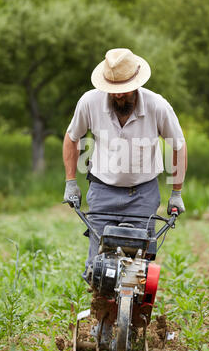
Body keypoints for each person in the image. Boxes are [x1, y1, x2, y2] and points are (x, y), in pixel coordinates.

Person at [63, 48, 187, 281]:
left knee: (137, 268)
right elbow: (72, 137)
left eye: (123, 91)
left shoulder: (157, 106)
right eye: (113, 91)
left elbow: (178, 145)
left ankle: (133, 312)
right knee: (97, 267)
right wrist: (71, 182)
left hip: (142, 194)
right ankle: (102, 310)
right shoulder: (89, 102)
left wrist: (176, 192)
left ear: (136, 83)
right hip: (102, 192)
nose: (118, 96)